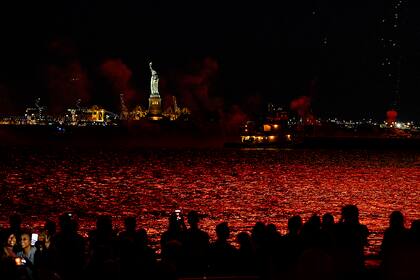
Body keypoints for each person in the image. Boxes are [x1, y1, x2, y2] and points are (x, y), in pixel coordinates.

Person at [334, 205, 369, 279]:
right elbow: (365, 243)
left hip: (342, 262)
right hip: (357, 262)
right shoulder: (362, 229)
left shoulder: (338, 228)